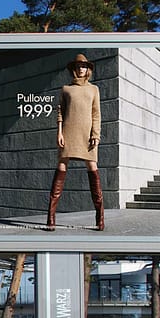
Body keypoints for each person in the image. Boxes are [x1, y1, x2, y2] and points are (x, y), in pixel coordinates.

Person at [47, 53, 104, 231]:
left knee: (93, 169)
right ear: (74, 69)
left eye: (84, 66)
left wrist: (96, 135)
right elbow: (60, 112)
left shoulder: (94, 89)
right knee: (61, 168)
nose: (81, 69)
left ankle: (100, 218)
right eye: (78, 66)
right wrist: (59, 133)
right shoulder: (66, 89)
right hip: (68, 133)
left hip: (87, 135)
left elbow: (96, 114)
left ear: (88, 70)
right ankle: (50, 218)